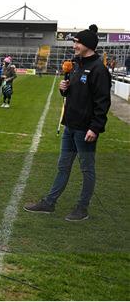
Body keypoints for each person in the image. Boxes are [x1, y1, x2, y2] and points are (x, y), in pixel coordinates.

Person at [24, 25, 111, 221]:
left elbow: (102, 102)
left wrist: (95, 128)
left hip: (85, 130)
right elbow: (74, 92)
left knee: (87, 169)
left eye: (77, 42)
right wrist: (65, 88)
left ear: (87, 44)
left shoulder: (99, 69)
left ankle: (82, 207)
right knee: (63, 166)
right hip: (70, 125)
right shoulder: (76, 64)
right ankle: (50, 203)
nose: (74, 46)